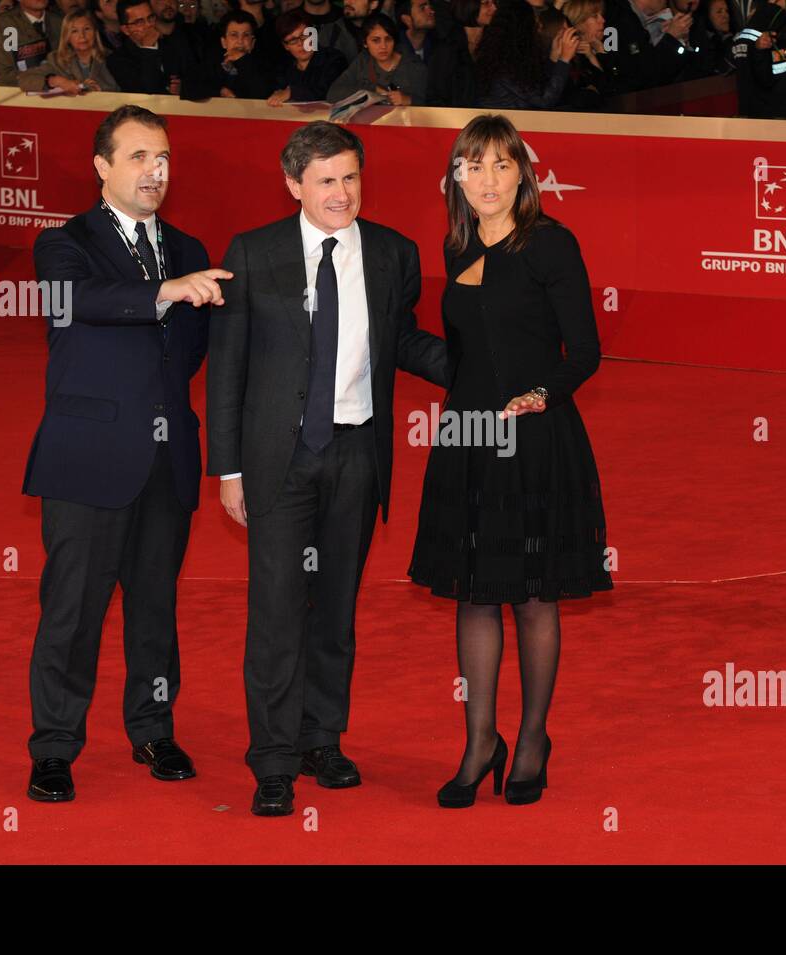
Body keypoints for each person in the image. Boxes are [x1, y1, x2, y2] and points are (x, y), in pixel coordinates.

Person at [206, 121, 451, 817]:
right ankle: (274, 758)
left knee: (336, 609)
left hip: (356, 454)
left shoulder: (393, 253)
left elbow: (400, 339)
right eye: (325, 181)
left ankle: (322, 737)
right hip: (277, 461)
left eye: (349, 178)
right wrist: (227, 469)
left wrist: (476, 371)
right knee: (278, 610)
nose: (341, 193)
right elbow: (228, 366)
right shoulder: (255, 253)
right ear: (294, 185)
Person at [24, 105, 232, 802]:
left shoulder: (191, 247)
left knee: (155, 609)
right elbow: (78, 299)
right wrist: (163, 291)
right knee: (73, 610)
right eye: (140, 156)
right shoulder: (63, 243)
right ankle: (54, 746)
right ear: (102, 166)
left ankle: (152, 726)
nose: (156, 171)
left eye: (164, 157)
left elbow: (195, 352)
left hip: (166, 458)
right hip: (87, 456)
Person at [409, 113, 612, 809]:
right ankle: (478, 743)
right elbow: (465, 356)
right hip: (467, 436)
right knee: (473, 591)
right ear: (455, 176)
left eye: (501, 165)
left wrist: (537, 396)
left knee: (531, 593)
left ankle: (530, 739)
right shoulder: (457, 241)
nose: (487, 179)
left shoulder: (550, 245)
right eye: (473, 165)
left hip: (534, 439)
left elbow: (584, 351)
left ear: (523, 173)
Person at [474, 0, 577, 108]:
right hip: (503, 122)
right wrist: (564, 60)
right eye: (534, 21)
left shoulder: (512, 57)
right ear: (522, 28)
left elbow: (539, 87)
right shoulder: (503, 63)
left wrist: (553, 58)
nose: (539, 26)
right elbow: (544, 100)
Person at [327, 10, 427, 102]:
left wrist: (409, 100)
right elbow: (333, 93)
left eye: (388, 39)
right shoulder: (362, 61)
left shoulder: (413, 65)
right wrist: (372, 89)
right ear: (365, 43)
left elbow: (434, 101)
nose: (383, 46)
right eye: (376, 40)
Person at [108, 0, 200, 93]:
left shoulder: (174, 44)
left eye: (150, 18)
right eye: (139, 22)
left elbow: (196, 78)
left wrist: (184, 89)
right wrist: (148, 48)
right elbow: (144, 93)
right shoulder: (118, 60)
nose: (148, 25)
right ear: (126, 29)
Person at [20, 9, 121, 92]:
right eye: (74, 31)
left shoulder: (112, 57)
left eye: (87, 29)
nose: (82, 36)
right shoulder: (56, 60)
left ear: (95, 32)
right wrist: (57, 81)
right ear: (67, 36)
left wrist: (97, 91)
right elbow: (25, 79)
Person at [266, 9, 347, 104]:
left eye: (304, 36)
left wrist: (292, 92)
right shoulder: (283, 66)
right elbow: (277, 92)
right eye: (293, 40)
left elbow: (329, 92)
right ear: (286, 46)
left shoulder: (334, 58)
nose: (301, 43)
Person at [560, 0, 630, 107]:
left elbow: (620, 87)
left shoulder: (607, 43)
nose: (602, 20)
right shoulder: (572, 56)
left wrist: (599, 52)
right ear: (579, 23)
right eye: (595, 16)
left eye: (601, 15)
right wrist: (592, 56)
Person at [0, 0, 62, 85]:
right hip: (21, 92)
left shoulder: (59, 20)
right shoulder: (5, 23)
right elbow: (3, 75)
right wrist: (46, 81)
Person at [204, 9, 273, 95]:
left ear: (252, 43)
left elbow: (263, 91)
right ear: (224, 42)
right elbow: (189, 87)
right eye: (234, 35)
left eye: (246, 35)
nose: (240, 41)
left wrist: (243, 60)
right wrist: (220, 90)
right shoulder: (212, 63)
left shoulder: (266, 65)